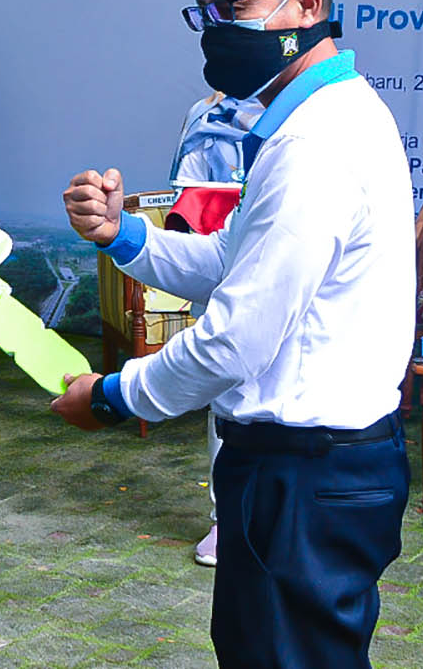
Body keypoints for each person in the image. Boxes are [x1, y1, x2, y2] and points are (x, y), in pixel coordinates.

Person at [53, 0, 414, 669]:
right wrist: (124, 234)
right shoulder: (313, 120)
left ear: (306, 5)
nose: (213, 29)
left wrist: (117, 396)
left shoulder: (316, 143)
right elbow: (229, 263)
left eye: (231, 8)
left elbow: (238, 335)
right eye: (204, 10)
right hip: (312, 472)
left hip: (304, 477)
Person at [166, 91, 260, 568]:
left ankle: (280, 516)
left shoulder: (309, 113)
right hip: (222, 265)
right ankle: (225, 519)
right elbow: (187, 196)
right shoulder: (202, 113)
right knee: (226, 397)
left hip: (287, 269)